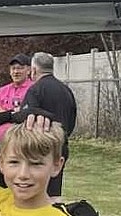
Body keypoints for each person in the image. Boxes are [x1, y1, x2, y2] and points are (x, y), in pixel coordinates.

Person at [16, 52, 77, 198]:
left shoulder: (35, 90)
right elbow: (72, 119)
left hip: (40, 149)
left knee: (37, 193)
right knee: (54, 192)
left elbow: (25, 118)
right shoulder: (66, 90)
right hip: (61, 145)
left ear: (34, 70)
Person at [0, 54, 33, 174]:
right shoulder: (2, 91)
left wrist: (5, 113)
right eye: (13, 68)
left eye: (20, 68)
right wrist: (14, 113)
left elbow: (27, 115)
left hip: (24, 144)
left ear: (28, 70)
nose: (16, 71)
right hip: (2, 142)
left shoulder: (34, 89)